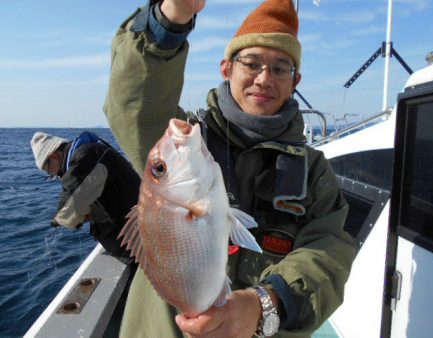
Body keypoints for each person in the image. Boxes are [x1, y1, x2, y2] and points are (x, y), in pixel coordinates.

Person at [104, 0, 356, 336]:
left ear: (295, 80)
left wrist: (265, 304)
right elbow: (135, 104)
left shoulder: (315, 171)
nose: (264, 79)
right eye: (251, 63)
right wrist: (170, 19)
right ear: (226, 69)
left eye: (280, 68)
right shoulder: (187, 143)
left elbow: (328, 252)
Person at [30, 131, 141, 259]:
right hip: (135, 235)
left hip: (135, 244)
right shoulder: (91, 152)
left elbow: (69, 210)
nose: (54, 175)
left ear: (54, 156)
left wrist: (56, 221)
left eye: (49, 170)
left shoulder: (84, 157)